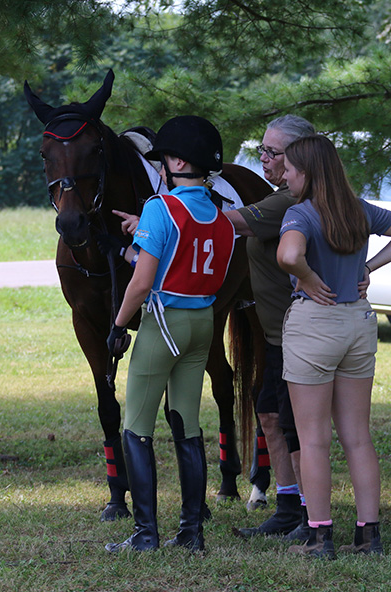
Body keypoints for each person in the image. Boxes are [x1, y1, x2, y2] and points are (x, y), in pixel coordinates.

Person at [276, 134, 391, 559]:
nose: (284, 176)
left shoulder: (299, 214)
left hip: (315, 325)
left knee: (314, 439)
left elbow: (287, 255)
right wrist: (368, 267)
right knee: (357, 437)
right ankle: (367, 535)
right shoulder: (357, 210)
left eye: (289, 169)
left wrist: (304, 275)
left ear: (307, 172)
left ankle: (321, 537)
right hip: (358, 322)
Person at [104, 115, 235, 553]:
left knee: (137, 426)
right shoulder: (221, 219)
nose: (160, 168)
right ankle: (191, 533)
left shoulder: (160, 209)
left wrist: (120, 323)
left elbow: (142, 283)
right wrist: (131, 244)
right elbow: (178, 260)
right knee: (186, 423)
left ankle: (145, 534)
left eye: (163, 160)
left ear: (177, 162)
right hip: (202, 323)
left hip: (164, 325)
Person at [226, 115, 316, 540]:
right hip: (276, 335)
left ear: (298, 156)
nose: (263, 159)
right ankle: (287, 503)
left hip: (297, 335)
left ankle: (310, 515)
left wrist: (159, 217)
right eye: (261, 150)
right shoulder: (283, 196)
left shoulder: (288, 203)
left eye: (272, 152)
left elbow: (232, 224)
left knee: (294, 425)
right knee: (269, 412)